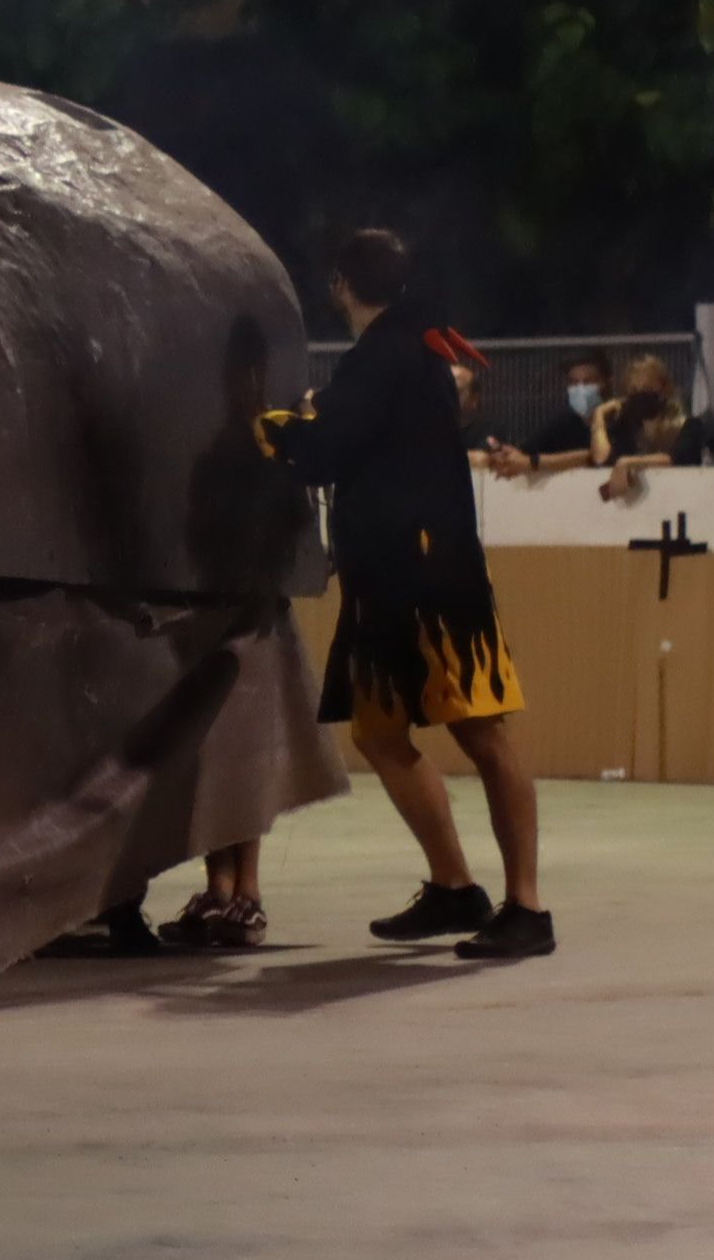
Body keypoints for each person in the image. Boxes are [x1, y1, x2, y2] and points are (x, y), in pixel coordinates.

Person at [264, 229, 552, 958]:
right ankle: (455, 888)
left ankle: (527, 908)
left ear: (340, 286)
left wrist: (278, 431)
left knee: (482, 731)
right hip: (403, 569)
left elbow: (326, 450)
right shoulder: (418, 350)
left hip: (421, 577)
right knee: (380, 730)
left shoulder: (381, 358)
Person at [157, 315, 316, 951]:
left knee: (239, 754)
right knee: (216, 755)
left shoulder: (265, 442)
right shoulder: (224, 441)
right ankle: (221, 888)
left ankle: (245, 892)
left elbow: (284, 527)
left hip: (248, 611)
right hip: (220, 608)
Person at [484, 350, 610, 482]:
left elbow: (596, 456)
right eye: (573, 382)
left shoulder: (620, 416)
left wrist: (534, 462)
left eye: (588, 382)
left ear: (605, 382)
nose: (580, 389)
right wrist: (507, 455)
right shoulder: (564, 420)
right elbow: (524, 453)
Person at [592, 351, 689, 502]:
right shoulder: (625, 428)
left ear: (665, 389)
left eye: (648, 389)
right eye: (635, 391)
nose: (641, 395)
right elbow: (601, 459)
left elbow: (673, 459)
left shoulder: (686, 426)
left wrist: (628, 462)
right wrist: (599, 418)